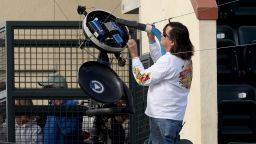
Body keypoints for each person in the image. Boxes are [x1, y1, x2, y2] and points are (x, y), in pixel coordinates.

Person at [127, 21, 194, 144]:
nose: (161, 36)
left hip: (162, 119)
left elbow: (142, 78)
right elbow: (161, 63)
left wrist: (134, 55)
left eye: (164, 34)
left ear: (173, 42)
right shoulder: (185, 60)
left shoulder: (169, 61)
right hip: (171, 117)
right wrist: (152, 41)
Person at [38, 73, 82, 144]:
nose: (46, 91)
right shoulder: (51, 104)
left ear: (57, 89)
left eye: (48, 88)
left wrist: (59, 109)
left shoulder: (71, 104)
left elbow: (68, 131)